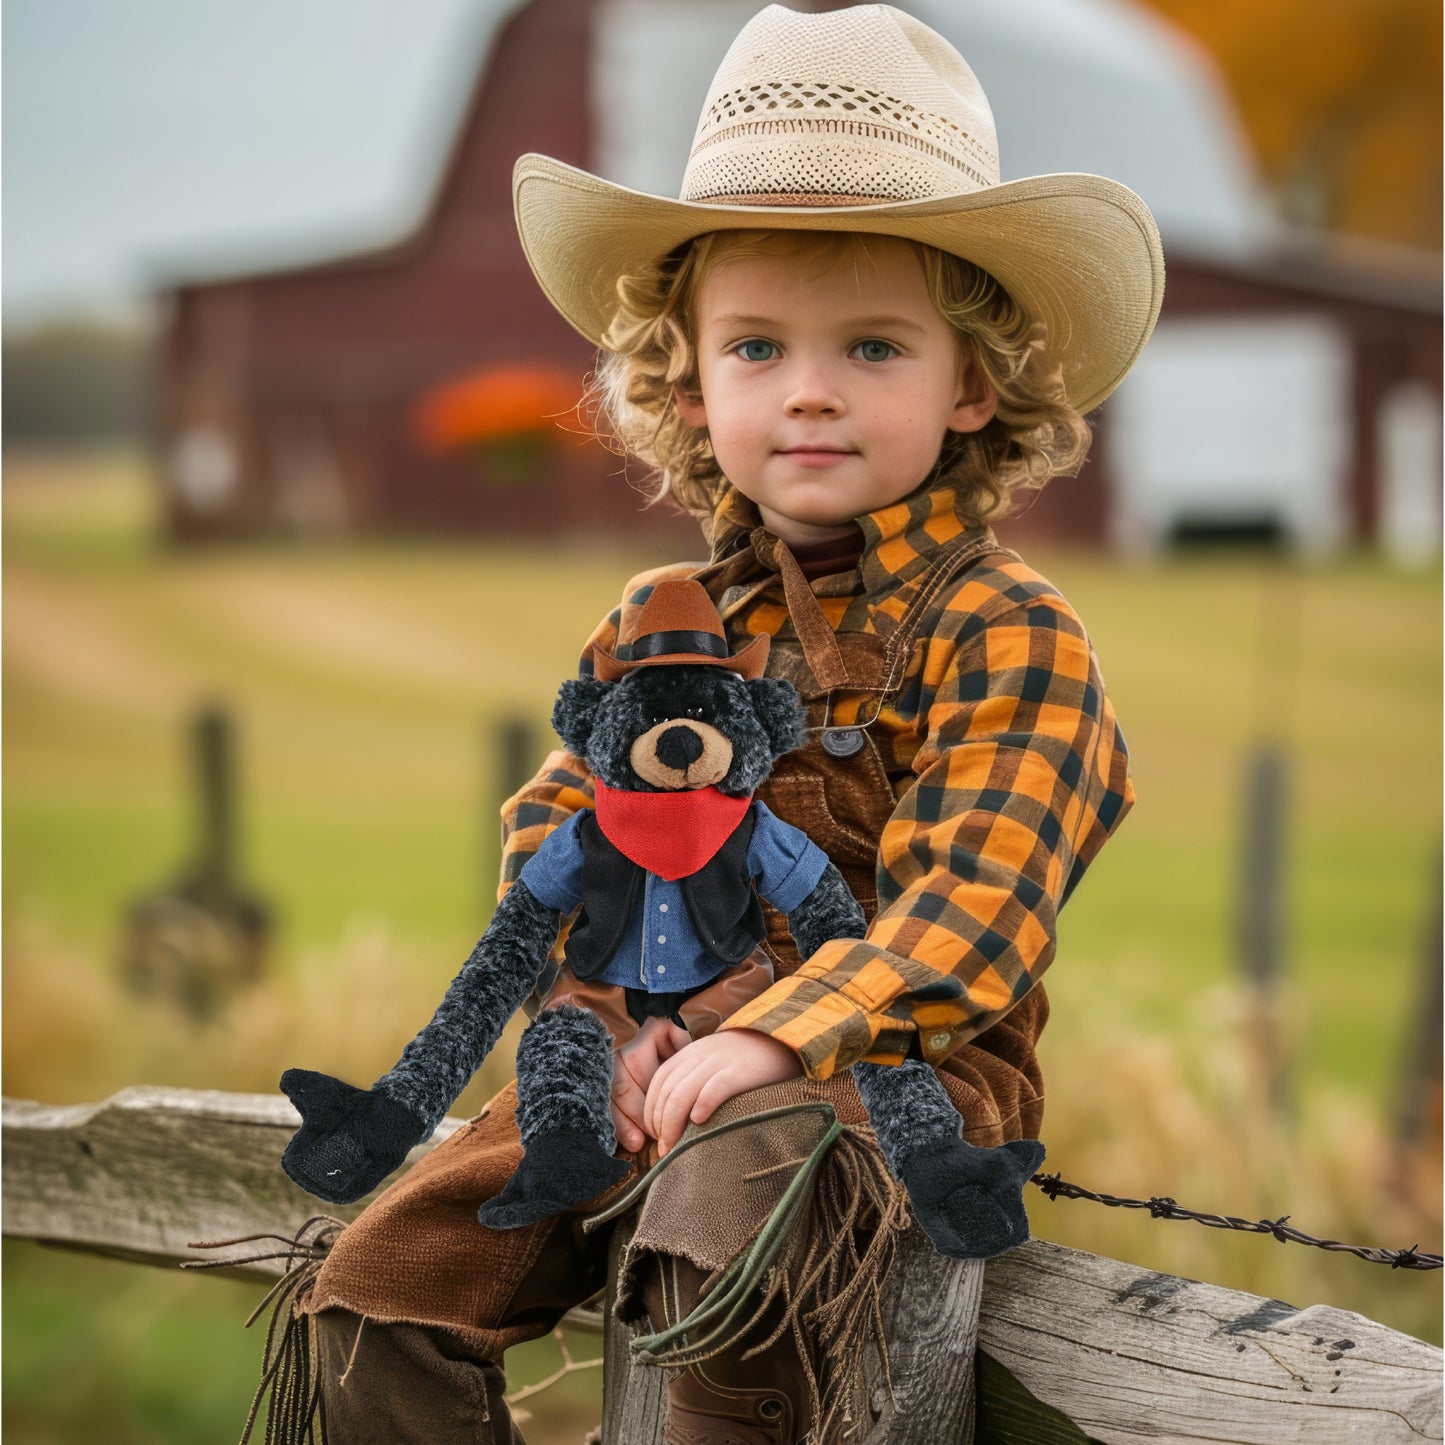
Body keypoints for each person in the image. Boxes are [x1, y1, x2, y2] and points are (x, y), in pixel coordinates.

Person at [261, 5, 1162, 1442]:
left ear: (970, 381)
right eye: (755, 346)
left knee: (725, 1206)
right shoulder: (658, 619)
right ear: (686, 378)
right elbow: (561, 833)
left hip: (888, 1078)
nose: (807, 386)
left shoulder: (1005, 628)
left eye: (872, 345)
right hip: (645, 1050)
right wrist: (589, 1021)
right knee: (389, 1277)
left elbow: (969, 915)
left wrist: (772, 1037)